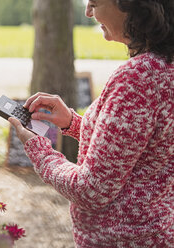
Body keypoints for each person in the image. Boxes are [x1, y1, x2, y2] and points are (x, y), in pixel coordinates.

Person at [9, 0, 173, 246]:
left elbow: (91, 190)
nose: (87, 11)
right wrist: (73, 123)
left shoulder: (138, 78)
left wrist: (39, 149)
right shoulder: (164, 68)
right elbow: (140, 149)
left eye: (94, 3)